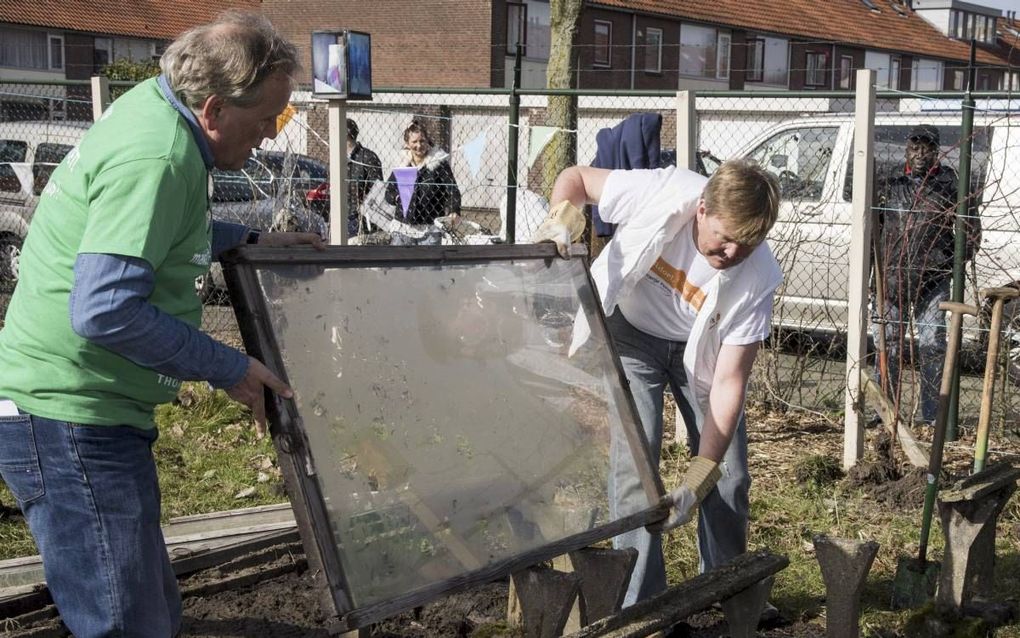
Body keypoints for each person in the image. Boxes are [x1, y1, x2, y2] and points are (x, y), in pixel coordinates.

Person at [0, 12, 323, 637]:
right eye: (264, 122)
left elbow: (166, 233)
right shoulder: (159, 157)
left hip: (85, 412)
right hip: (68, 418)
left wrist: (254, 237)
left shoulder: (153, 113)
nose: (266, 138)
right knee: (125, 623)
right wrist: (226, 367)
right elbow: (103, 309)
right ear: (212, 110)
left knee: (145, 612)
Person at [534, 160, 782, 611]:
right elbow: (578, 179)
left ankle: (727, 592)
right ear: (702, 208)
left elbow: (728, 384)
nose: (732, 253)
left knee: (729, 476)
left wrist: (698, 477)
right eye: (724, 238)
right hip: (631, 335)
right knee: (635, 467)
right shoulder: (664, 191)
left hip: (699, 353)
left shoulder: (759, 275)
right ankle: (641, 603)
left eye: (746, 245)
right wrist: (560, 220)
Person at [873, 124, 980, 425]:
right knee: (887, 341)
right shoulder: (891, 182)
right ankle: (883, 410)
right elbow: (875, 228)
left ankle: (932, 414)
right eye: (915, 146)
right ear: (907, 148)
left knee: (932, 342)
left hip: (932, 278)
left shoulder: (949, 183)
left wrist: (949, 262)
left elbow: (970, 232)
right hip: (892, 276)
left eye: (927, 147)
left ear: (937, 151)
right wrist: (876, 274)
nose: (920, 153)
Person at [384, 120, 461, 245]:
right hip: (403, 227)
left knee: (428, 264)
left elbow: (452, 190)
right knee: (399, 263)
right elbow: (388, 192)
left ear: (427, 141)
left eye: (422, 141)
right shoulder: (402, 164)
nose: (419, 145)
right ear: (408, 144)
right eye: (414, 141)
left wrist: (454, 209)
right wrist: (398, 197)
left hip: (430, 227)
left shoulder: (439, 164)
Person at [346, 118, 383, 236]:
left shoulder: (368, 158)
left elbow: (377, 190)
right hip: (339, 215)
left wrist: (363, 208)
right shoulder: (336, 157)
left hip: (359, 218)